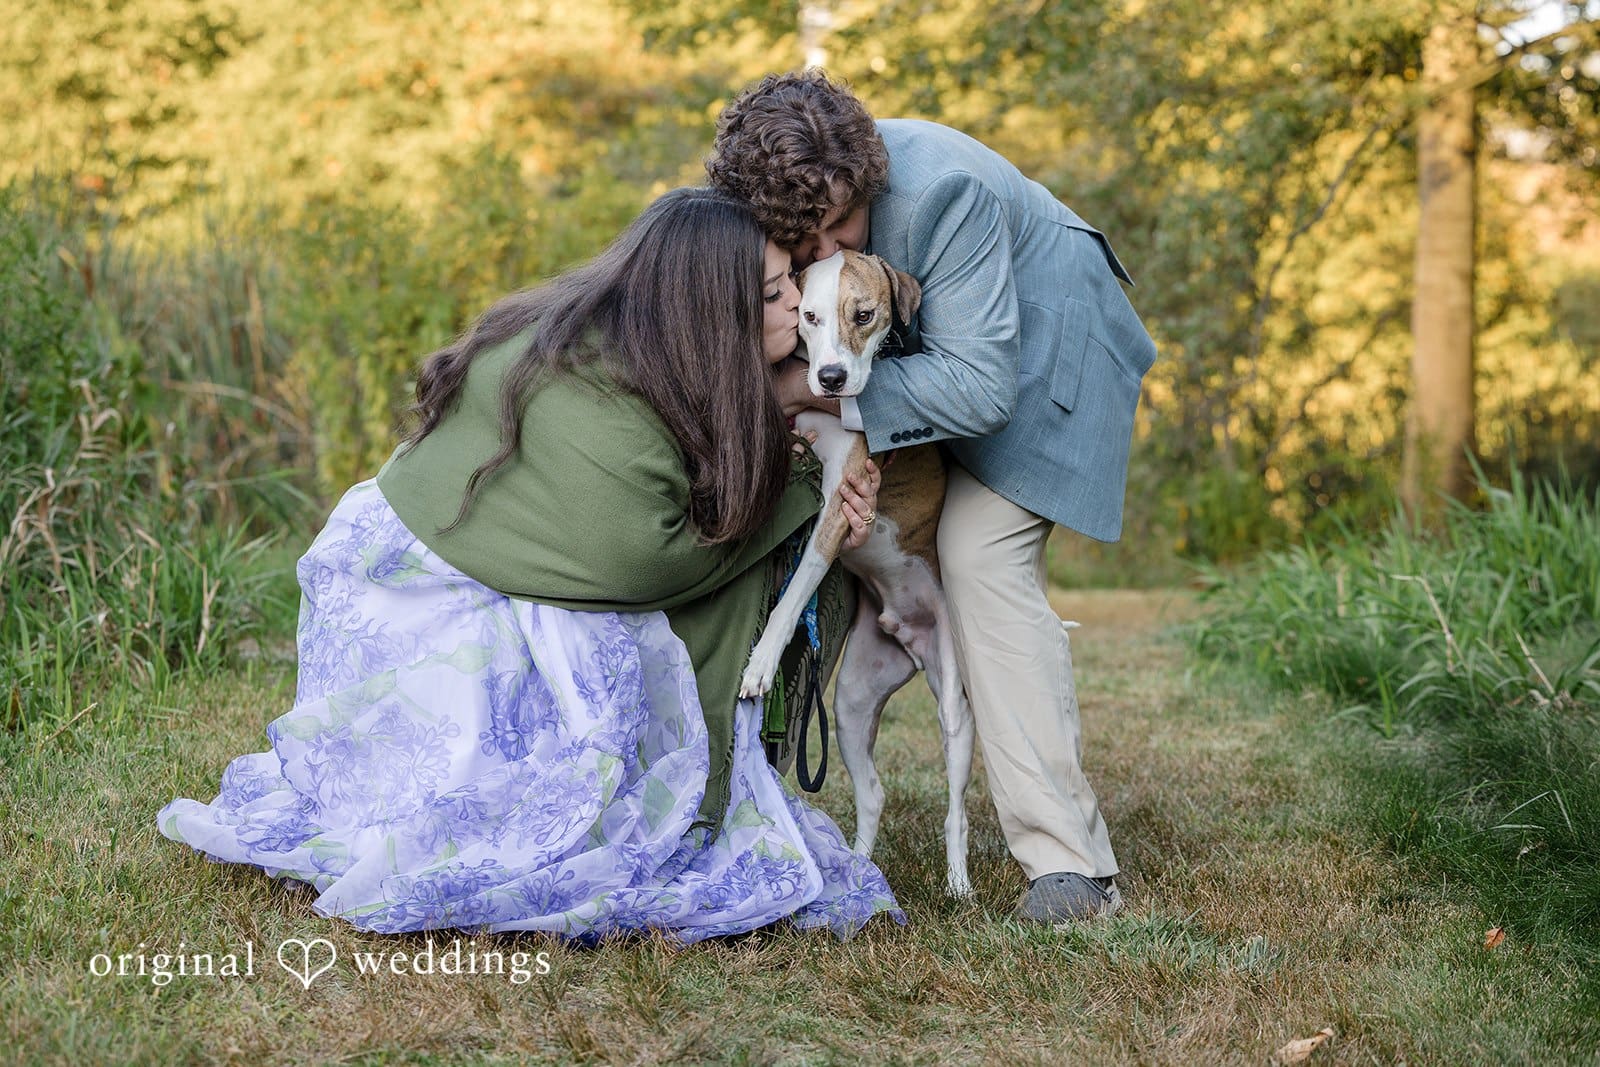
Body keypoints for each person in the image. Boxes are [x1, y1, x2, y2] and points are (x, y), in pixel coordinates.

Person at [158, 187, 901, 942]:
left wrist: (791, 405)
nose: (793, 307)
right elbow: (638, 557)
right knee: (597, 677)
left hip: (437, 554)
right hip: (424, 591)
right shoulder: (602, 384)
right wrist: (803, 489)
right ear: (711, 305)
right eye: (774, 293)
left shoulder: (631, 334)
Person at [707, 71, 1159, 923]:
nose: (817, 254)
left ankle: (1072, 868)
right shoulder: (799, 227)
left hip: (1038, 361)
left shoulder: (944, 192)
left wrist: (808, 394)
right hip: (926, 378)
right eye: (798, 243)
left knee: (977, 553)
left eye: (837, 228)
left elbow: (981, 389)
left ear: (866, 183)